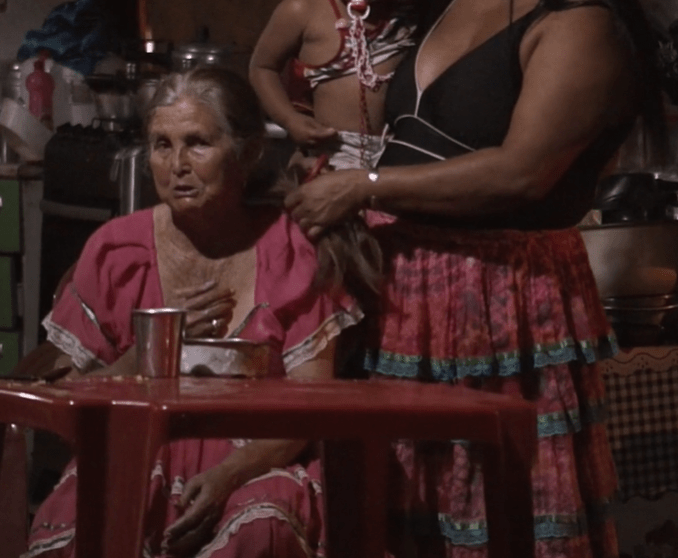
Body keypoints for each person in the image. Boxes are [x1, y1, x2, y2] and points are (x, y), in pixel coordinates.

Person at [284, 0, 667, 556]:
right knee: (406, 501)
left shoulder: (581, 21)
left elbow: (523, 173)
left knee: (501, 502)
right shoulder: (447, 6)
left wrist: (363, 187)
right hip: (405, 292)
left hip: (501, 292)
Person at [24, 67, 362, 558]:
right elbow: (66, 403)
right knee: (85, 527)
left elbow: (312, 409)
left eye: (198, 143)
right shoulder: (118, 252)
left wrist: (229, 474)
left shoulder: (289, 251)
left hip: (261, 460)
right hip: (139, 452)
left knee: (260, 530)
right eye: (162, 145)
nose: (177, 164)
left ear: (247, 152)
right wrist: (147, 352)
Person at [249, 0, 418, 171]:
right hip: (333, 152)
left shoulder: (414, 12)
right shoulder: (304, 9)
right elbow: (263, 67)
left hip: (403, 150)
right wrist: (289, 119)